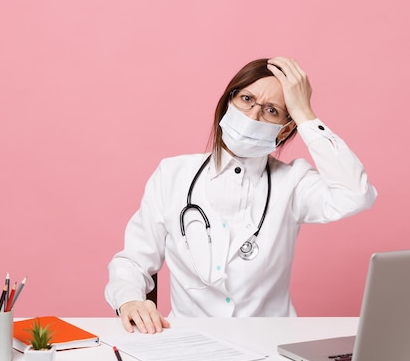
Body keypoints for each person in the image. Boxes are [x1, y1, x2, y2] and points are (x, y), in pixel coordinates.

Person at [105, 56, 377, 334]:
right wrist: (129, 300)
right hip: (189, 343)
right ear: (228, 102)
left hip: (272, 347)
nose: (252, 116)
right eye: (246, 99)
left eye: (272, 110)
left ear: (285, 128)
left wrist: (305, 115)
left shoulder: (294, 182)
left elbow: (357, 194)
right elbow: (133, 261)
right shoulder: (172, 174)